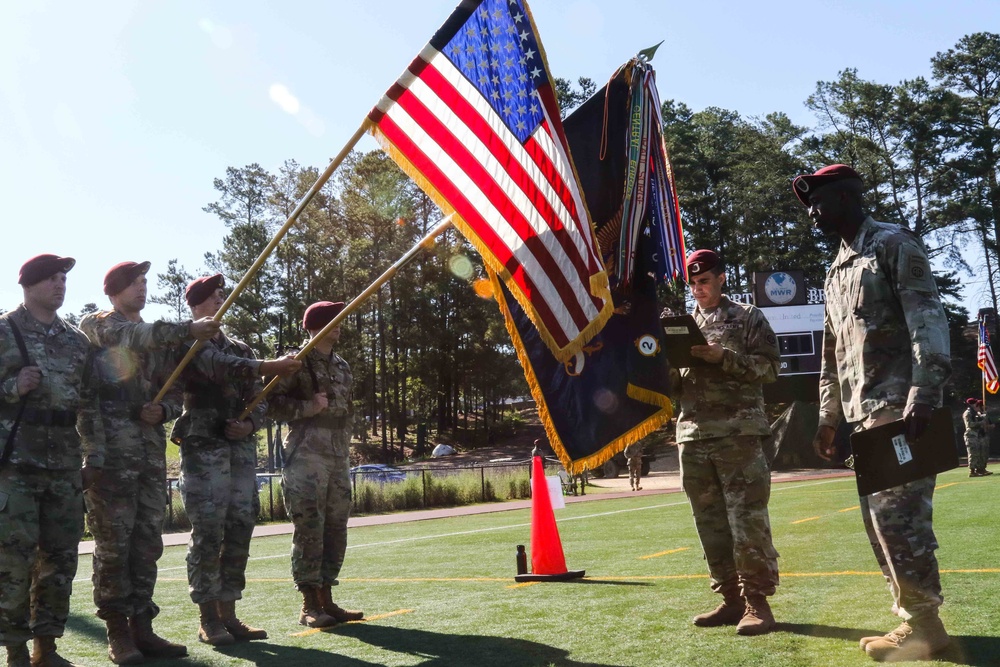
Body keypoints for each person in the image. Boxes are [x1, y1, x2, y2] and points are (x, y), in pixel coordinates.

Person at [795, 164, 953, 662]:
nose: (813, 213)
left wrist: (923, 394)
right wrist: (827, 417)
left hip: (900, 409)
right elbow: (831, 352)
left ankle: (925, 628)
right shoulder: (837, 268)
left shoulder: (892, 244)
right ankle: (916, 621)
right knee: (880, 522)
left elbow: (927, 318)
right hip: (865, 416)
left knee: (902, 522)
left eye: (819, 201)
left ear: (845, 197)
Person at [78, 261, 222, 664]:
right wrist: (188, 329)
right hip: (110, 455)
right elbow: (135, 335)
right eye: (133, 283)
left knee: (146, 545)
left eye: (144, 282)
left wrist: (165, 411)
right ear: (113, 290)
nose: (142, 288)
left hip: (148, 456)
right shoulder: (100, 323)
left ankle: (143, 627)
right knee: (113, 545)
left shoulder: (156, 339)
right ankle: (117, 632)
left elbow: (173, 389)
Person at [170, 274, 301, 646]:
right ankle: (208, 618)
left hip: (238, 450)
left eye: (221, 297)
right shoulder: (188, 342)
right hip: (203, 447)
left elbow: (259, 399)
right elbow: (218, 365)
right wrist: (270, 365)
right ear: (195, 305)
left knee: (241, 526)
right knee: (209, 532)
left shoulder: (241, 347)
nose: (219, 302)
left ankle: (229, 613)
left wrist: (249, 423)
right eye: (212, 298)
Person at [0, 255, 105, 667]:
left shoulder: (77, 342)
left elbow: (91, 405)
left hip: (64, 464)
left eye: (63, 279)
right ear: (28, 285)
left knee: (60, 560)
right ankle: (15, 651)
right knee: (13, 560)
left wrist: (94, 455)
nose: (60, 285)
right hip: (16, 465)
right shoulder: (5, 331)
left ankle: (48, 647)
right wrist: (11, 387)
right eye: (52, 279)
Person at [673, 249, 781, 636]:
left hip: (738, 436)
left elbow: (769, 369)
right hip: (693, 434)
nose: (699, 290)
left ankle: (758, 603)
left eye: (704, 281)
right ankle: (731, 600)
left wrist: (724, 358)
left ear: (721, 279)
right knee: (710, 525)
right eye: (693, 284)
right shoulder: (683, 326)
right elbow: (676, 385)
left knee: (747, 522)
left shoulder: (748, 317)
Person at [267, 301, 364, 628]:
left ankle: (327, 598)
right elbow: (268, 405)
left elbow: (347, 410)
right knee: (309, 527)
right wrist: (307, 407)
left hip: (337, 455)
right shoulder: (295, 363)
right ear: (314, 326)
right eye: (330, 320)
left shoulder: (342, 366)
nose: (337, 325)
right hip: (306, 454)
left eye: (338, 320)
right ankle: (309, 605)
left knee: (336, 527)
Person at [962, 398, 993, 477]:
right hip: (971, 436)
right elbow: (970, 425)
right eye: (975, 403)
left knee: (979, 454)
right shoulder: (968, 413)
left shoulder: (975, 413)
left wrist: (983, 416)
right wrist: (980, 422)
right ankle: (972, 471)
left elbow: (981, 419)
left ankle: (980, 469)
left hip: (977, 435)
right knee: (973, 454)